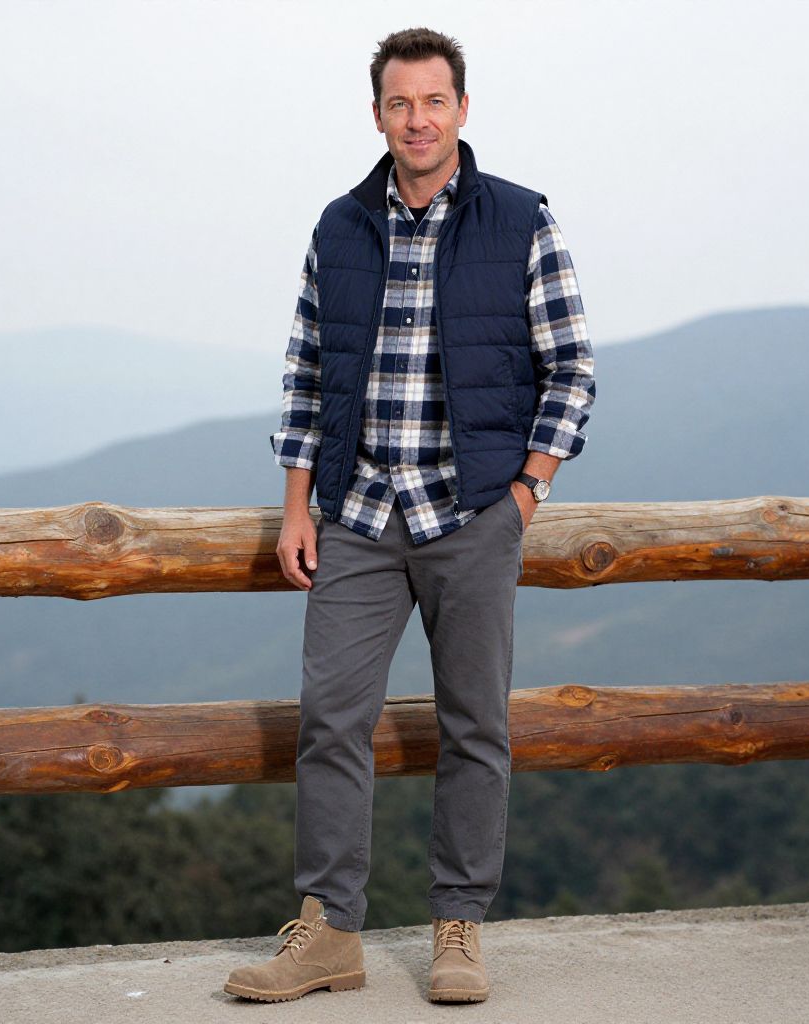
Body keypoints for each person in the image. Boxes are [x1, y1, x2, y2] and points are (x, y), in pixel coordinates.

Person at [225, 26, 595, 1005]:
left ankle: (459, 929)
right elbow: (306, 375)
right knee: (330, 722)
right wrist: (295, 508)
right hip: (355, 514)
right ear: (378, 112)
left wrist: (526, 494)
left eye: (434, 101)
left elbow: (571, 368)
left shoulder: (520, 219)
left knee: (475, 726)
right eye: (400, 102)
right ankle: (330, 931)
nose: (417, 119)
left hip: (473, 514)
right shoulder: (340, 226)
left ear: (461, 110)